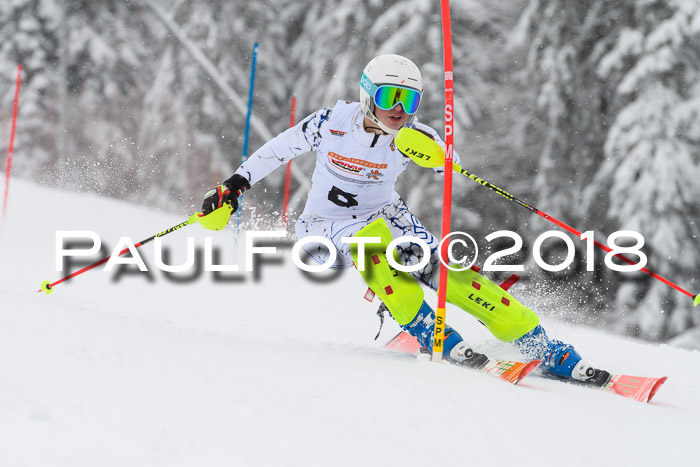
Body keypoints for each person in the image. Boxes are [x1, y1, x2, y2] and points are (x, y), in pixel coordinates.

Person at [202, 54, 610, 385]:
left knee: (450, 273)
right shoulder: (331, 123)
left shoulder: (414, 137)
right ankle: (433, 332)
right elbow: (278, 149)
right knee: (374, 244)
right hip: (324, 229)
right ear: (367, 95)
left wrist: (445, 160)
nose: (398, 110)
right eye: (389, 97)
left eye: (409, 100)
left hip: (387, 216)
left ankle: (542, 346)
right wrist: (235, 185)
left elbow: (451, 171)